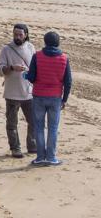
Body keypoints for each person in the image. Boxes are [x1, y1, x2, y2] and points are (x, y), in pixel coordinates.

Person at [25, 31, 72, 166]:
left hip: (39, 96)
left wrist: (26, 75)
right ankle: (51, 157)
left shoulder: (37, 56)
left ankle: (40, 157)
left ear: (45, 42)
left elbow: (32, 77)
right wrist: (64, 99)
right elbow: (68, 81)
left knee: (39, 127)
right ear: (58, 43)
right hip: (55, 98)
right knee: (53, 128)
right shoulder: (64, 58)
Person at [0, 24, 36, 158]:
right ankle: (15, 148)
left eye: (20, 34)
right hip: (12, 93)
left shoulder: (30, 47)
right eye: (15, 34)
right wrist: (12, 68)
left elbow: (35, 67)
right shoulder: (6, 49)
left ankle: (32, 145)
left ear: (26, 35)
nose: (17, 37)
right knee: (12, 123)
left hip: (29, 93)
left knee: (33, 121)